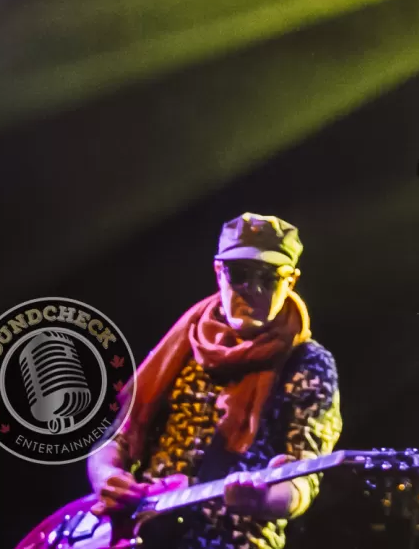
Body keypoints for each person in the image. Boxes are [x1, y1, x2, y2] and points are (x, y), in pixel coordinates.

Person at [86, 213, 342, 549]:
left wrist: (264, 501)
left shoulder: (307, 362)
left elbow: (303, 481)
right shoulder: (181, 344)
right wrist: (107, 477)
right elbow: (116, 438)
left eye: (269, 278)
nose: (253, 289)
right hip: (138, 536)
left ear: (291, 281)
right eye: (240, 274)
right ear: (219, 271)